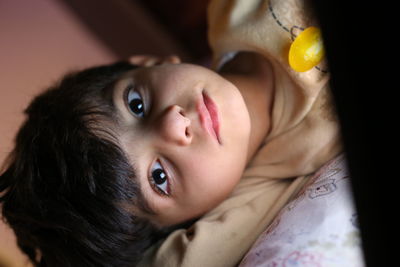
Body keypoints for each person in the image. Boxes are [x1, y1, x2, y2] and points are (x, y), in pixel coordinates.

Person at [0, 0, 342, 266]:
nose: (174, 124)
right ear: (191, 217)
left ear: (149, 63)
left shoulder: (237, 10)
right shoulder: (287, 171)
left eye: (136, 105)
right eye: (159, 177)